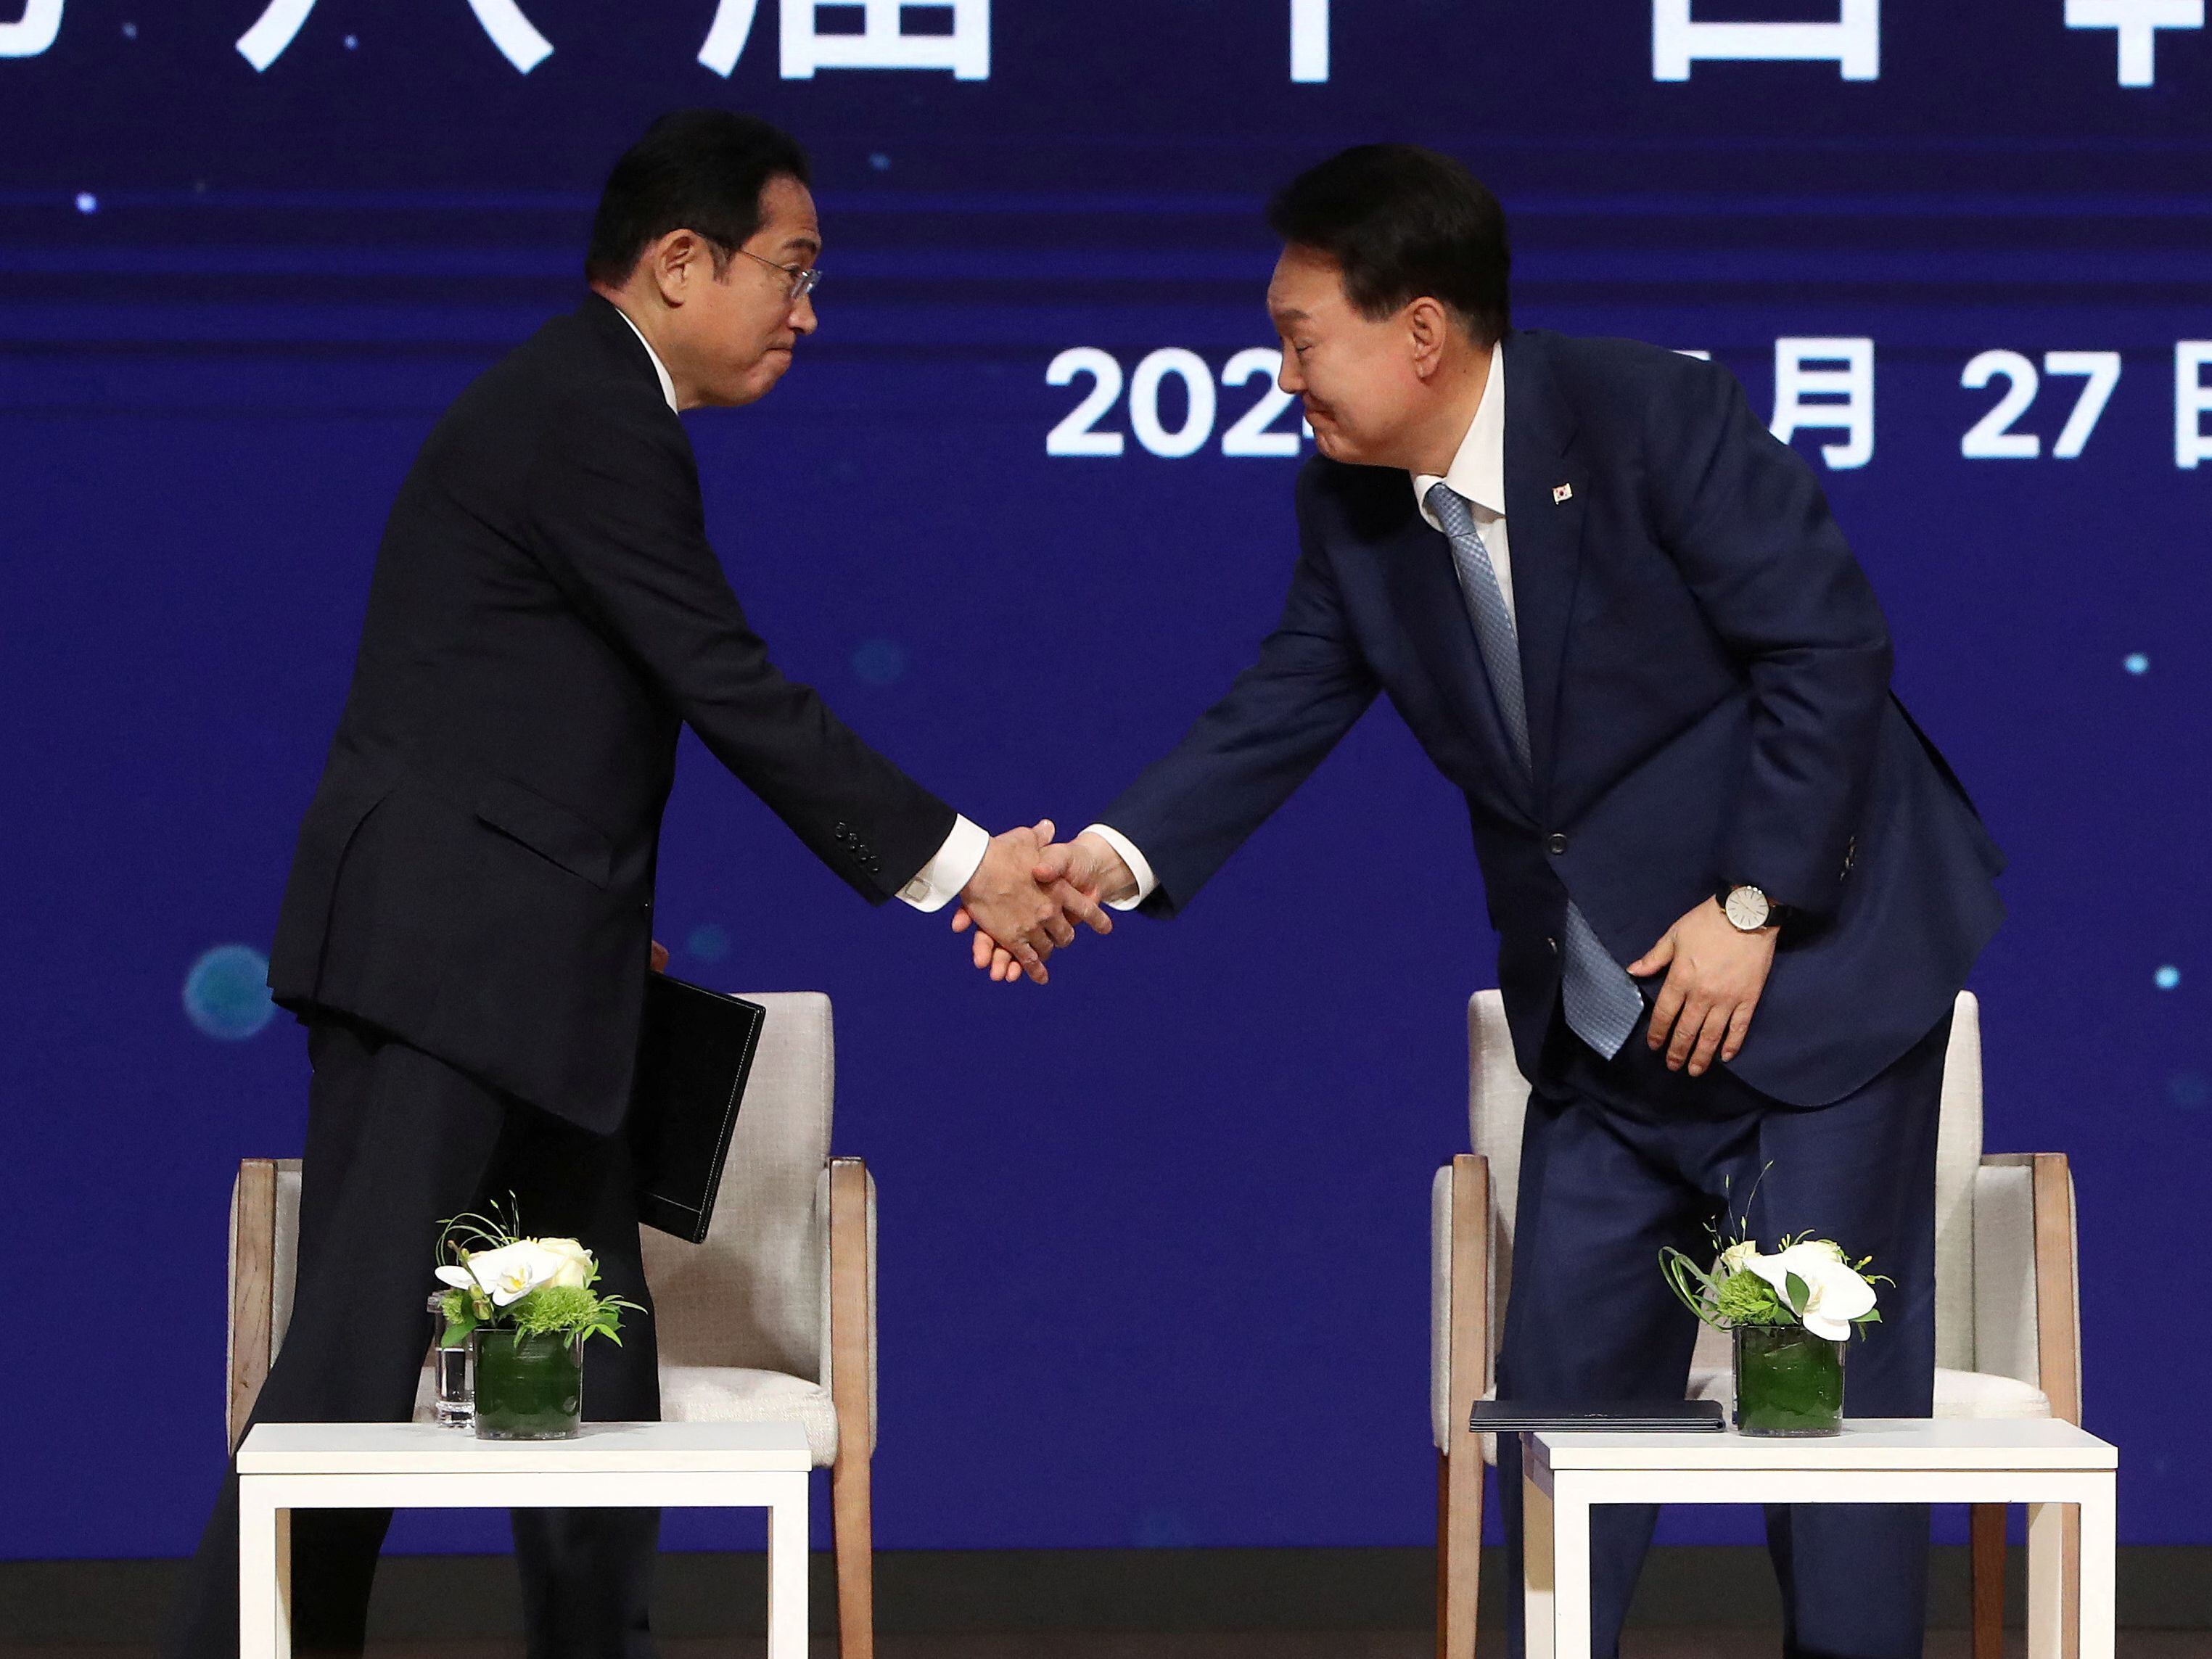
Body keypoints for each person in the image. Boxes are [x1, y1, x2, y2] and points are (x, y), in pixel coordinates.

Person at [983, 144, 2005, 1658]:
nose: (1281, 375)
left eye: (1298, 335)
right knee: (1561, 1416)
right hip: (1603, 1025)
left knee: (1825, 1422)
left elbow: (1826, 652)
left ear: (1419, 331)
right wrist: (1111, 862)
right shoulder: (1353, 508)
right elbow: (1280, 706)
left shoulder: (1651, 414)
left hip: (1814, 986)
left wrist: (1750, 902)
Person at [160, 110, 1101, 1659]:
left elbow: (539, 712)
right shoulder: (588, 412)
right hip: (445, 965)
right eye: (790, 269)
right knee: (348, 1368)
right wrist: (964, 867)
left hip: (540, 967)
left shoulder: (589, 407)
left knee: (592, 1374)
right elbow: (726, 680)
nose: (808, 309)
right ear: (680, 262)